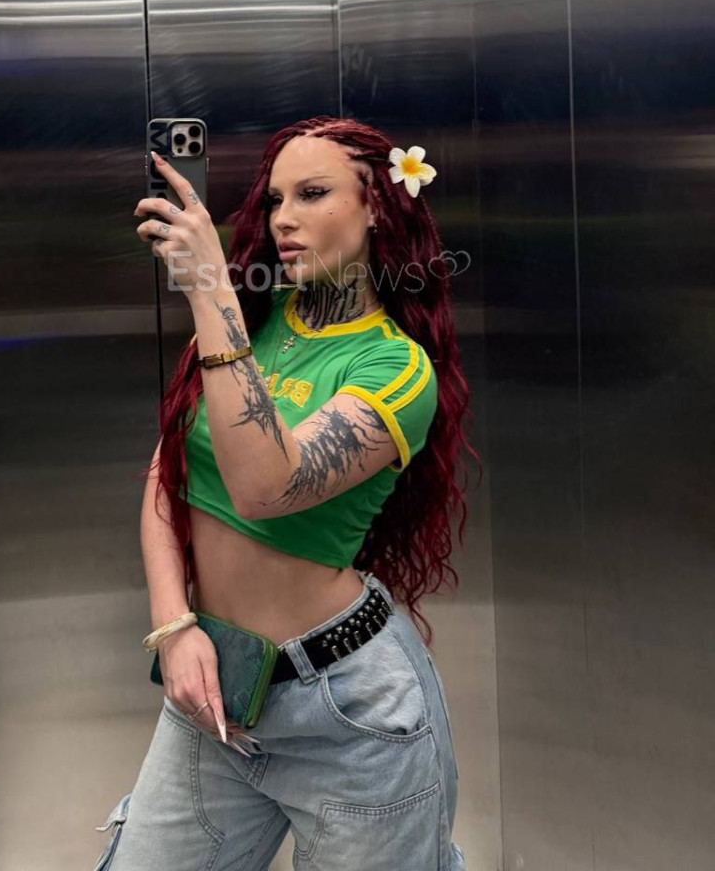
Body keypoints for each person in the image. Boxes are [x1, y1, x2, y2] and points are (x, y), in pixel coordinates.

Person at [92, 116, 478, 870]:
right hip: (221, 691)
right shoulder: (250, 326)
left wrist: (211, 296)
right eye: (273, 200)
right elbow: (166, 476)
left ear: (376, 205)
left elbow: (264, 487)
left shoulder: (396, 370)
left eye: (311, 194)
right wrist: (173, 627)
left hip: (350, 714)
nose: (282, 220)